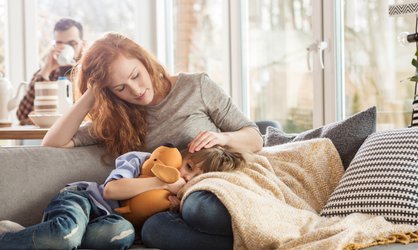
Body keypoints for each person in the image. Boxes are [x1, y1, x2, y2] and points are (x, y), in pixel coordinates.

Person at [41, 32, 263, 249]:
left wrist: (222, 138)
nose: (135, 90)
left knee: (199, 209)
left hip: (213, 189)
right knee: (153, 231)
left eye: (136, 75)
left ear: (145, 61)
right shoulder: (119, 119)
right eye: (120, 88)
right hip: (169, 207)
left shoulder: (196, 87)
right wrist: (92, 93)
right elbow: (53, 142)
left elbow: (255, 139)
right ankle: (250, 241)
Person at [0, 145, 245, 249]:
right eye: (189, 166)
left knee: (120, 236)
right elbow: (111, 191)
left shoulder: (185, 201)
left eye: (195, 177)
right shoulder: (143, 160)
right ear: (182, 155)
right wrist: (162, 182)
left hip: (110, 224)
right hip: (84, 200)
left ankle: (32, 235)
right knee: (67, 235)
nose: (186, 176)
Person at [16, 18, 86, 125]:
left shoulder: (92, 73)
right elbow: (23, 115)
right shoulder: (49, 73)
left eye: (72, 43)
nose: (65, 48)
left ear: (83, 44)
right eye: (59, 43)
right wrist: (46, 71)